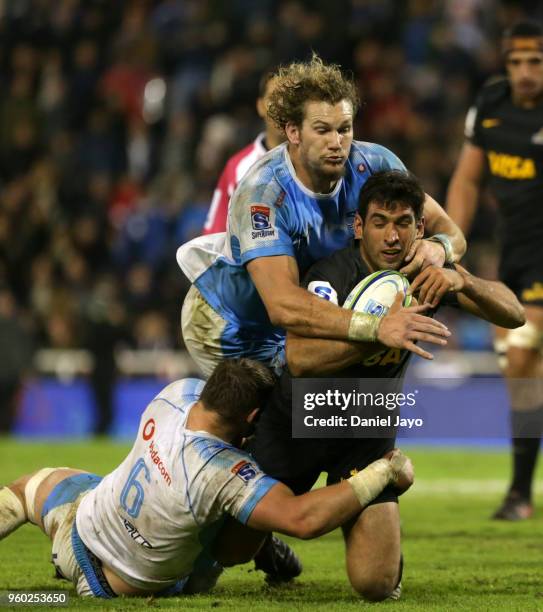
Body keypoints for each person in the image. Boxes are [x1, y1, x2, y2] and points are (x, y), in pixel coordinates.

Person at [250, 170, 525, 601]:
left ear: (420, 229)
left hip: (365, 431)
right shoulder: (332, 273)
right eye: (379, 222)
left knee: (375, 585)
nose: (391, 236)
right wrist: (380, 332)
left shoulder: (428, 274)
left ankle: (382, 543)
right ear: (360, 226)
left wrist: (463, 280)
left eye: (403, 224)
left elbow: (515, 314)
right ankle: (265, 545)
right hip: (298, 423)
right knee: (229, 550)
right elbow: (301, 361)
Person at [0, 358, 414, 599]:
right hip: (114, 585)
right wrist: (384, 470)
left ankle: (265, 548)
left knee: (24, 490)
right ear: (253, 419)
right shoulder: (224, 474)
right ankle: (264, 548)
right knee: (235, 525)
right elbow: (303, 519)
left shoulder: (178, 392)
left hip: (75, 527)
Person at [178, 55, 466, 379]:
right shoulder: (263, 194)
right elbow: (283, 305)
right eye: (322, 130)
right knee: (253, 418)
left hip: (299, 320)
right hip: (229, 322)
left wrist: (440, 247)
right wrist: (377, 327)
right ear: (293, 132)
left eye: (344, 129)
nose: (336, 143)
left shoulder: (374, 165)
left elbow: (451, 232)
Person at [446, 20, 543, 520]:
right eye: (516, 62)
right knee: (520, 366)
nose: (525, 72)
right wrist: (449, 247)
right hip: (517, 257)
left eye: (536, 62)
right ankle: (522, 492)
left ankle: (520, 493)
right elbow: (466, 179)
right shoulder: (491, 103)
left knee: (524, 351)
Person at [202, 71, 286, 235]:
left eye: (289, 99)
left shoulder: (312, 161)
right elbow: (215, 235)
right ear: (260, 106)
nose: (282, 106)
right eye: (274, 98)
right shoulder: (238, 167)